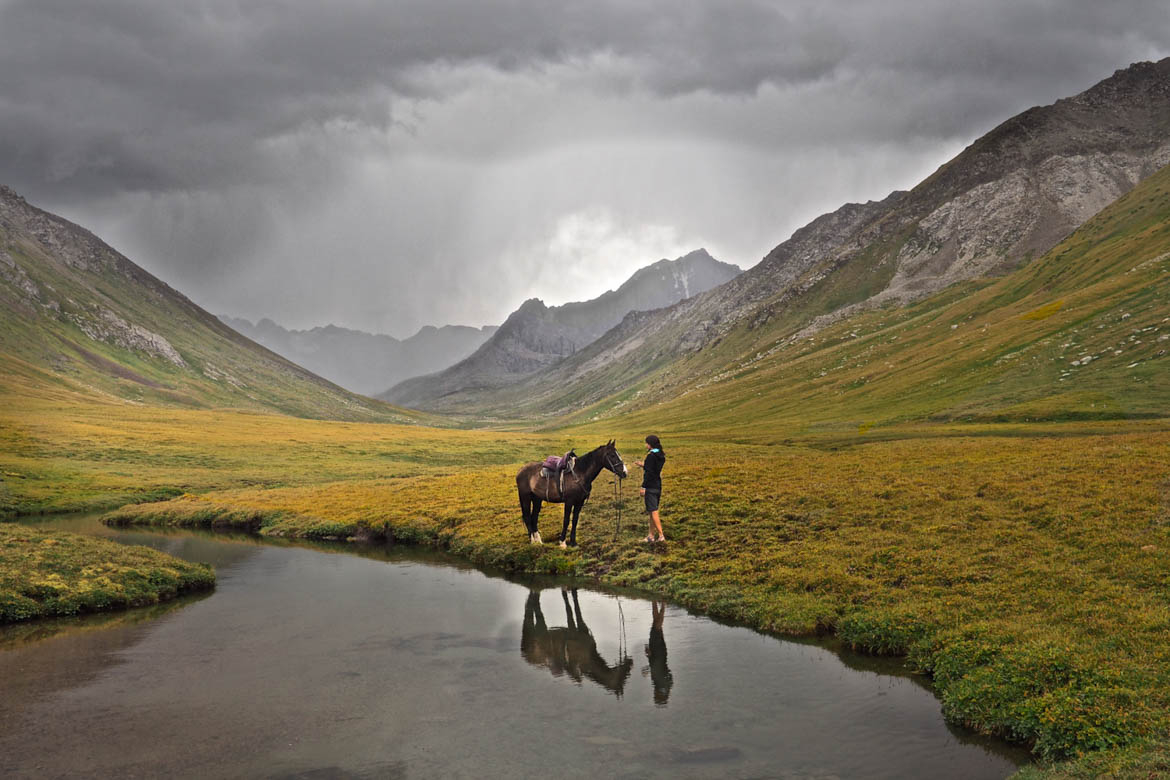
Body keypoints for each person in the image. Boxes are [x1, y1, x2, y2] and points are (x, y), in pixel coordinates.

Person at [633, 434, 666, 542]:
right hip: (658, 485)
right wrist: (642, 464)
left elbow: (649, 473)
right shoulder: (660, 455)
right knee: (652, 511)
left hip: (650, 486)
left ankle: (661, 535)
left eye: (646, 443)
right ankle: (651, 536)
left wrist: (643, 487)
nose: (645, 444)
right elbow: (652, 467)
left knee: (653, 511)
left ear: (650, 444)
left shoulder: (651, 456)